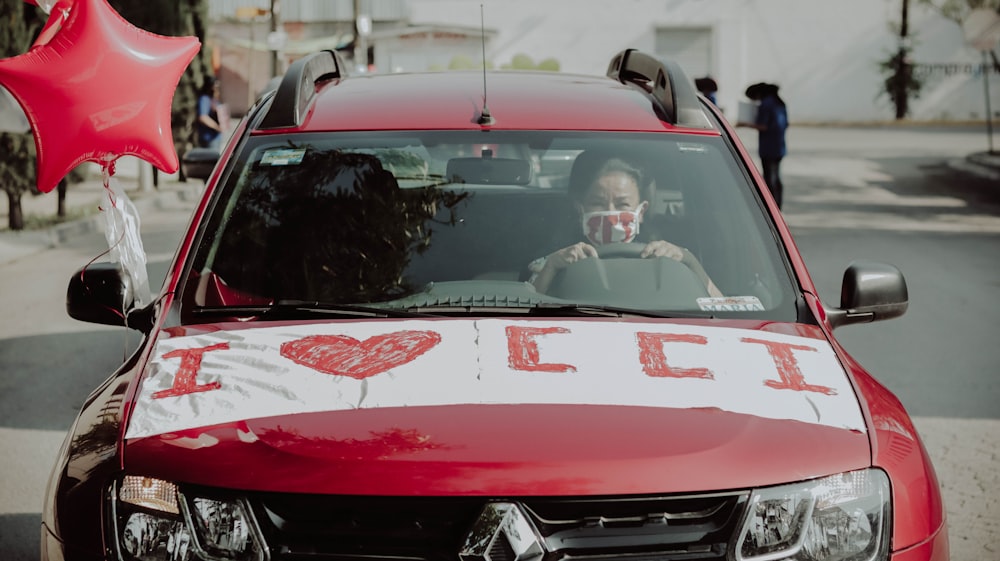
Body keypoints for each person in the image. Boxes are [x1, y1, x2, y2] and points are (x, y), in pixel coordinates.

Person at [528, 154, 722, 297]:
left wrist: (688, 260)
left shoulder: (666, 255)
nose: (611, 213)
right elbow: (523, 311)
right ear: (580, 209)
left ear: (641, 211)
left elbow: (723, 308)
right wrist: (552, 267)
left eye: (622, 205)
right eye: (598, 203)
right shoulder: (553, 258)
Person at [738, 82, 788, 208]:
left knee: (769, 178)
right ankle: (778, 204)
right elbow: (786, 124)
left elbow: (763, 126)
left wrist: (745, 124)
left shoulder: (765, 104)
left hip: (768, 147)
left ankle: (771, 206)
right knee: (776, 176)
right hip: (779, 145)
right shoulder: (779, 103)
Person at [196, 76, 223, 150]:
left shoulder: (214, 99)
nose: (217, 89)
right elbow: (203, 117)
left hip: (216, 137)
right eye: (215, 86)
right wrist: (217, 127)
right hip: (209, 138)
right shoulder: (204, 99)